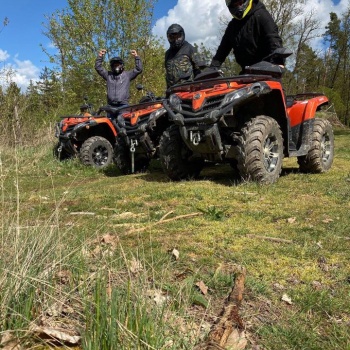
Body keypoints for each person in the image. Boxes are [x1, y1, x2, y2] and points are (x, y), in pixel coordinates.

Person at [210, 0, 285, 74]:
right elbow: (222, 50)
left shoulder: (261, 15)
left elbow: (273, 38)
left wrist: (278, 62)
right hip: (246, 73)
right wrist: (212, 69)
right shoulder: (232, 26)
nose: (238, 7)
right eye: (235, 5)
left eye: (240, 3)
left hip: (267, 71)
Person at [95, 49, 143, 117]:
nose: (116, 67)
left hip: (123, 106)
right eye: (114, 65)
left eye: (118, 65)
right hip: (110, 106)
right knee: (109, 124)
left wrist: (136, 56)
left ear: (122, 66)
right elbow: (98, 68)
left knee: (122, 123)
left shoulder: (127, 75)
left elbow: (139, 69)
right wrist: (100, 56)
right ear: (112, 66)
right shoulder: (108, 75)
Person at [165, 24, 202, 89]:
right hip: (173, 93)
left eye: (178, 37)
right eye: (172, 37)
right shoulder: (167, 54)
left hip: (189, 90)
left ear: (183, 35)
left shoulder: (190, 49)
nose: (175, 40)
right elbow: (168, 77)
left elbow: (200, 71)